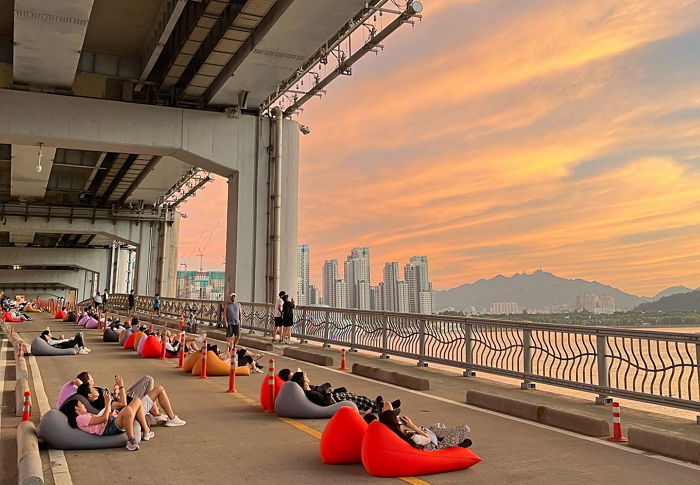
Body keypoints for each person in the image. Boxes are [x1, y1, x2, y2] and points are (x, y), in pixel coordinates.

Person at [59, 391, 149, 451]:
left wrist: (111, 414)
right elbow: (103, 419)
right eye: (81, 404)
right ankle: (131, 441)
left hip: (109, 423)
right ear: (76, 408)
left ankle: (146, 431)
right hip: (108, 427)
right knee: (128, 409)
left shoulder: (83, 416)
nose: (84, 405)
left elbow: (102, 418)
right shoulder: (80, 419)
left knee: (137, 401)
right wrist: (107, 403)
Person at [77, 380, 186, 427]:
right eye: (93, 389)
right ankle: (172, 418)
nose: (96, 389)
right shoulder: (100, 402)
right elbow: (122, 403)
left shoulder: (101, 398)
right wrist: (121, 386)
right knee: (159, 389)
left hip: (133, 404)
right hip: (136, 409)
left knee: (148, 382)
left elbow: (117, 401)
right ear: (90, 395)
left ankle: (157, 413)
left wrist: (115, 394)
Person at [289, 371, 399, 412]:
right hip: (334, 400)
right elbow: (325, 403)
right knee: (359, 401)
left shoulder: (309, 390)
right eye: (305, 376)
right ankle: (384, 408)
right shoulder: (310, 393)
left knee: (361, 399)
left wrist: (328, 391)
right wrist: (328, 393)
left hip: (334, 397)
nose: (308, 376)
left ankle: (381, 405)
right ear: (303, 380)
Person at [379, 410, 472, 449]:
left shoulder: (397, 432)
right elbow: (428, 439)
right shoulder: (410, 438)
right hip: (436, 446)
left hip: (430, 434)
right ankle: (456, 444)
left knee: (439, 425)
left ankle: (454, 440)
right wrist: (412, 426)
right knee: (465, 429)